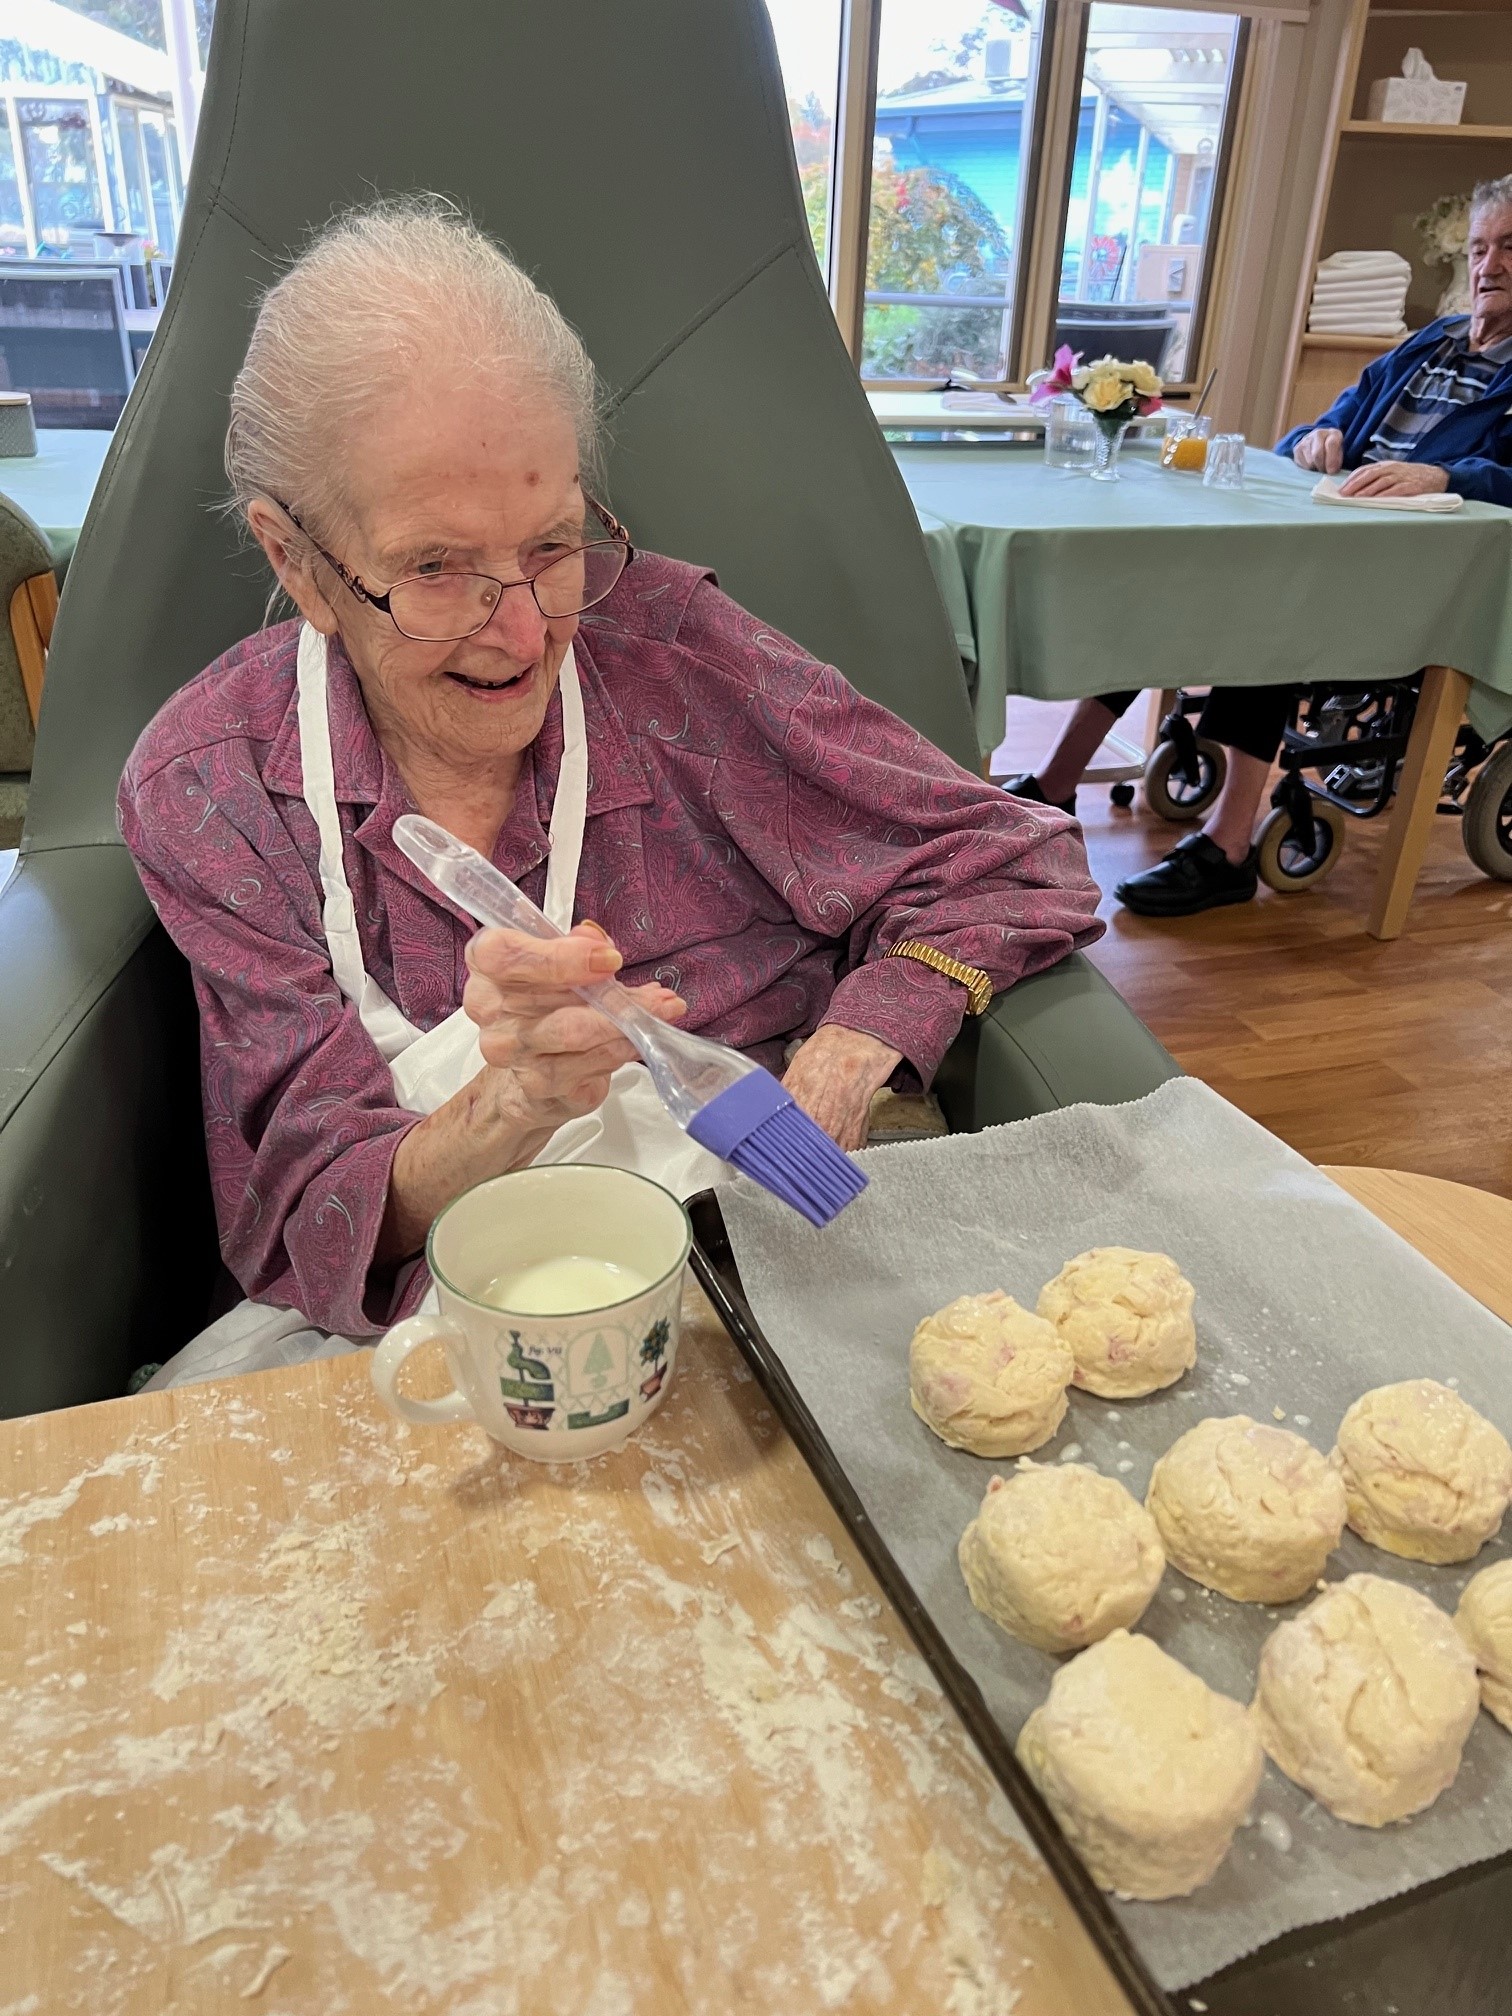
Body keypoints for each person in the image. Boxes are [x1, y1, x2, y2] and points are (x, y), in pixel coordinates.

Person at [118, 198, 1103, 1388]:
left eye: (552, 541)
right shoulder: (214, 788)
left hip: (762, 1243)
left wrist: (852, 1050)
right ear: (300, 564)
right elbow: (308, 1217)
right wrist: (515, 1101)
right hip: (433, 1341)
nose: (528, 631)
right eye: (436, 568)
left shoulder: (677, 659)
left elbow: (1013, 857)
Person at [1006, 172, 1512, 918]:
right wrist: (1319, 441)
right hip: (1336, 531)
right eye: (1479, 247)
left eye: (1509, 248)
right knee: (1187, 577)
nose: (1488, 265)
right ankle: (1053, 787)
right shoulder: (1425, 344)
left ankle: (1230, 846)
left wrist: (1443, 471)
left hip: (1417, 576)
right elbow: (1304, 433)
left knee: (1269, 608)